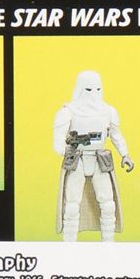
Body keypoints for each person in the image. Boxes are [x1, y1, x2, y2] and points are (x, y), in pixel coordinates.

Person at [54, 70, 133, 242]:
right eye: (88, 89)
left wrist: (125, 155)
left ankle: (108, 243)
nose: (93, 94)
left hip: (99, 159)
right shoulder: (68, 112)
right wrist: (67, 148)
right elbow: (58, 141)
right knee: (71, 206)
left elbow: (116, 135)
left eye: (97, 89)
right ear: (81, 88)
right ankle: (69, 245)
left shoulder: (108, 111)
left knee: (108, 205)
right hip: (77, 159)